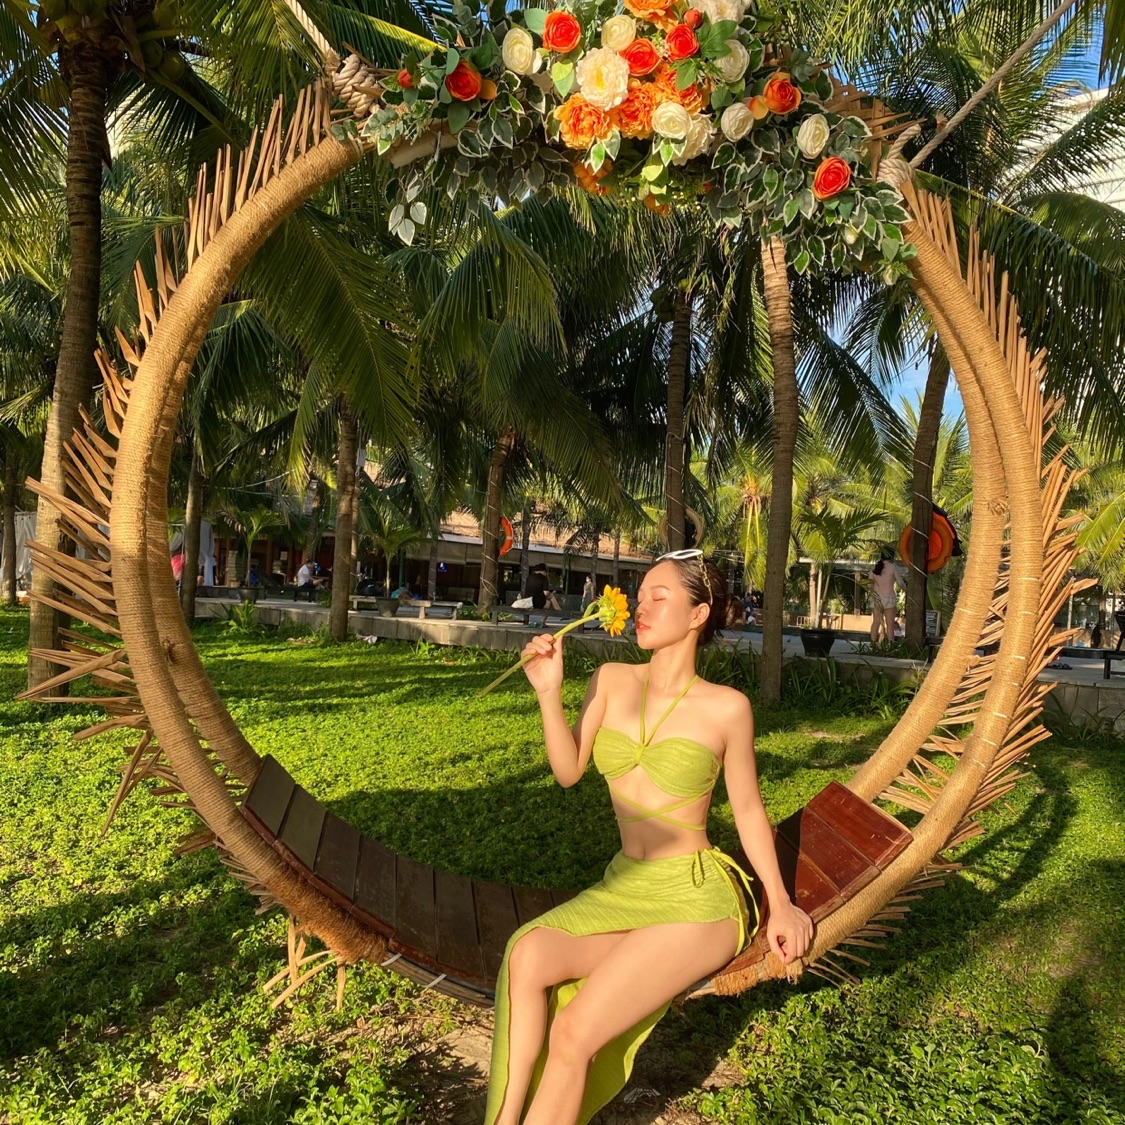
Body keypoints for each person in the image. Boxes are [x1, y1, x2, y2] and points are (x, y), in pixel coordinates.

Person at [484, 550, 813, 1125]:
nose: (641, 607)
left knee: (574, 1031)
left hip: (696, 897)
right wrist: (548, 691)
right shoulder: (611, 681)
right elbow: (568, 771)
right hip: (625, 885)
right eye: (640, 597)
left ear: (698, 615)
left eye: (660, 598)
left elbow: (748, 810)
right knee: (527, 953)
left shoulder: (727, 708)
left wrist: (780, 903)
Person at [868, 554, 905, 644]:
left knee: (876, 622)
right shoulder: (893, 567)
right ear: (891, 557)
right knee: (890, 624)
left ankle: (873, 645)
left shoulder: (874, 567)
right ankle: (890, 645)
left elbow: (869, 585)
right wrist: (907, 590)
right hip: (889, 599)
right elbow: (900, 583)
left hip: (876, 599)